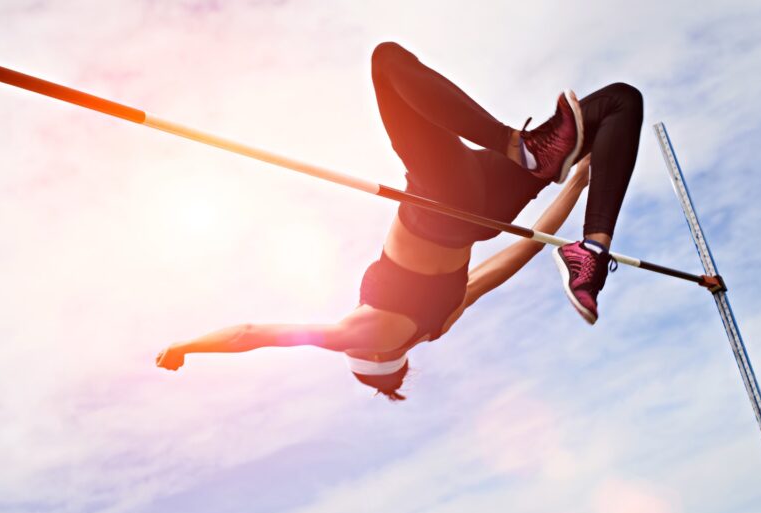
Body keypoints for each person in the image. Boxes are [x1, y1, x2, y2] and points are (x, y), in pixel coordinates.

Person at [156, 42, 644, 400]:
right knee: (387, 62)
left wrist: (579, 184)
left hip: (485, 208)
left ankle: (592, 250)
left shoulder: (438, 324)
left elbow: (523, 249)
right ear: (370, 359)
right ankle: (519, 147)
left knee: (618, 102)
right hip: (441, 196)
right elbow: (250, 333)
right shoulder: (363, 336)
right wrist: (187, 346)